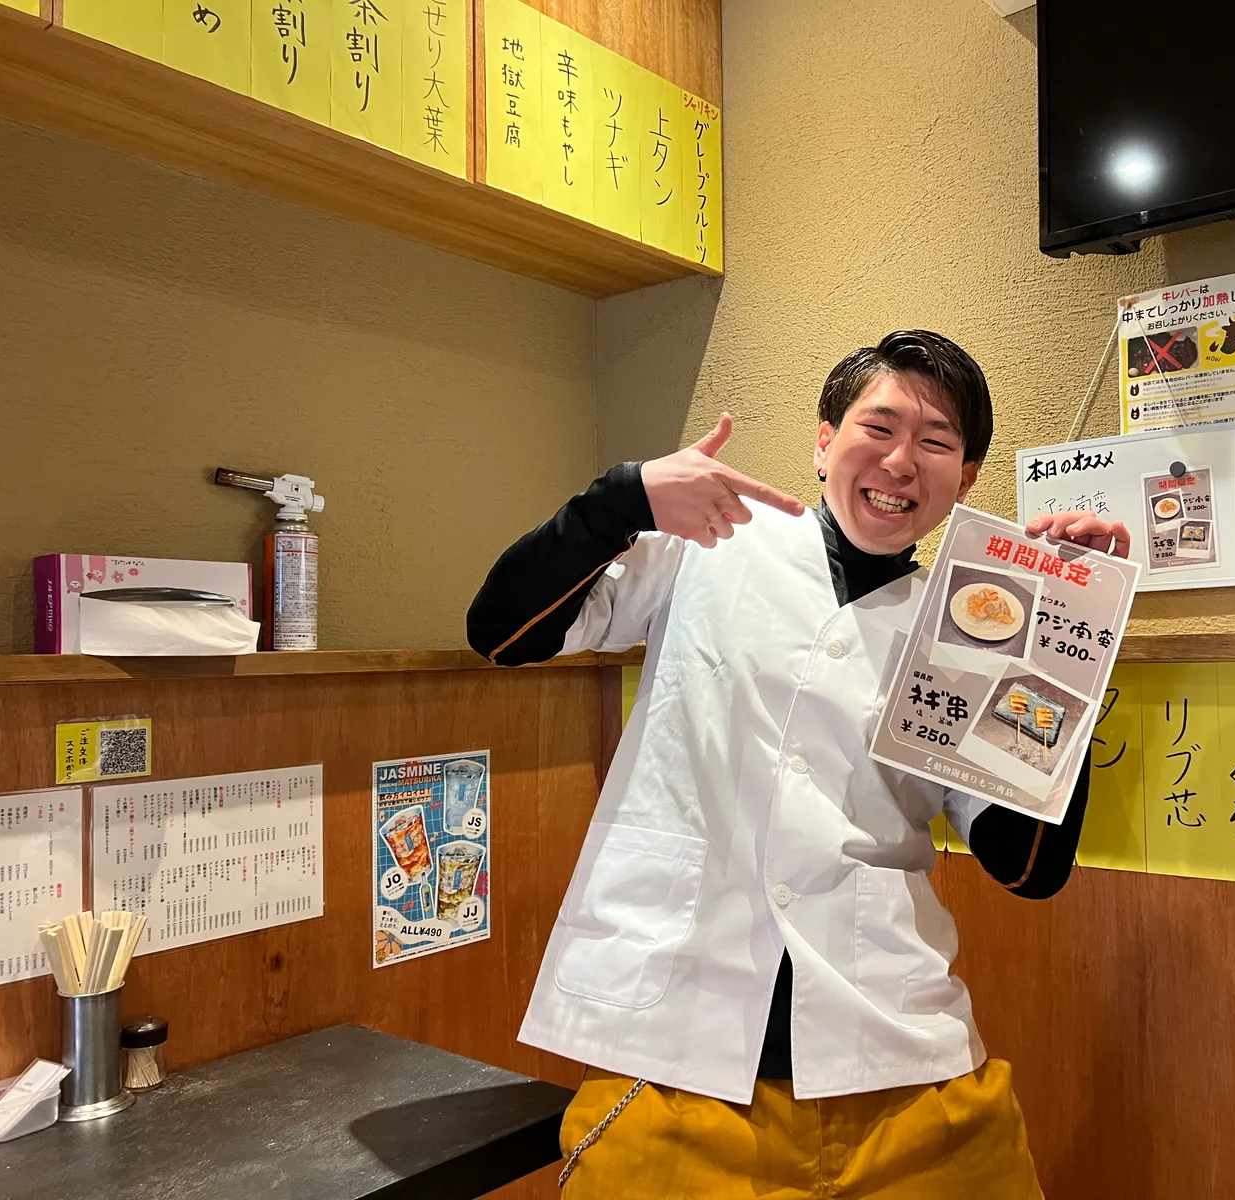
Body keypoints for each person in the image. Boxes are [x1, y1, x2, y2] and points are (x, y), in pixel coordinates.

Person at [467, 330, 1132, 1198]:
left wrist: (1061, 654)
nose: (900, 461)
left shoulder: (965, 631)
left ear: (964, 483)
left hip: (900, 1064)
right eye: (877, 427)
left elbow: (1028, 865)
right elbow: (503, 632)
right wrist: (619, 500)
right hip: (678, 1059)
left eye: (936, 443)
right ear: (824, 441)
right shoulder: (708, 546)